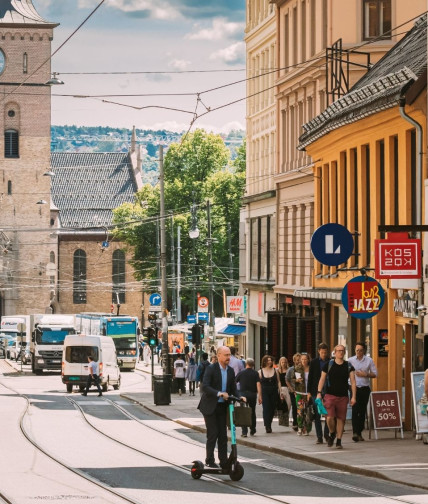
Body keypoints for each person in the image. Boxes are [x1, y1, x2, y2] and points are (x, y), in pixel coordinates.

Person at [198, 346, 244, 468]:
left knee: (223, 435)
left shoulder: (230, 370)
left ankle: (223, 461)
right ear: (218, 356)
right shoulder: (211, 369)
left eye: (229, 355)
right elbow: (205, 387)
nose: (229, 357)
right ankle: (209, 459)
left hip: (223, 406)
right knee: (213, 433)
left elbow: (233, 388)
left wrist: (240, 397)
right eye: (226, 355)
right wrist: (219, 393)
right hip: (209, 406)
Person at [317, 344, 356, 449]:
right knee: (329, 417)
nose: (341, 352)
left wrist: (353, 397)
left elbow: (353, 382)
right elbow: (322, 379)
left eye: (343, 351)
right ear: (334, 352)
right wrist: (319, 393)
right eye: (339, 351)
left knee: (341, 419)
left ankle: (338, 441)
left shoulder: (348, 366)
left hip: (343, 396)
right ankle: (332, 432)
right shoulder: (328, 365)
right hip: (330, 395)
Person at [348, 341, 378, 442]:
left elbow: (375, 374)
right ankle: (355, 433)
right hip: (353, 387)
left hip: (364, 388)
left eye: (360, 350)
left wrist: (365, 374)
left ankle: (359, 432)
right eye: (357, 350)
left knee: (361, 411)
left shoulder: (369, 360)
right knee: (355, 409)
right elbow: (345, 373)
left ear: (364, 350)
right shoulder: (350, 360)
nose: (358, 352)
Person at [307, 342, 330, 444]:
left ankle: (326, 434)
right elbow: (310, 378)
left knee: (327, 414)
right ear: (318, 352)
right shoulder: (314, 362)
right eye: (322, 352)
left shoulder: (331, 362)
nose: (324, 354)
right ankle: (319, 436)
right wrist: (308, 392)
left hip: (328, 390)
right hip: (315, 392)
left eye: (325, 352)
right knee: (317, 414)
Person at [236, 358, 261, 437]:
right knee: (252, 411)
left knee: (243, 412)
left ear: (246, 364)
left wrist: (236, 392)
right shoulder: (255, 373)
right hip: (252, 394)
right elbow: (258, 384)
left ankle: (244, 432)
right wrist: (260, 395)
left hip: (243, 394)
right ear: (253, 365)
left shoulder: (241, 373)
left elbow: (235, 381)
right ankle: (253, 429)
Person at [259, 355, 280, 433]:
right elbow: (259, 385)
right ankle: (267, 426)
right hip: (265, 391)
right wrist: (259, 395)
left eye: (271, 360)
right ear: (264, 361)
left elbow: (278, 381)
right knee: (266, 408)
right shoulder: (260, 371)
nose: (270, 361)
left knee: (272, 408)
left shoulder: (275, 370)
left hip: (274, 391)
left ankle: (269, 423)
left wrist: (280, 391)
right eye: (268, 360)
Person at [294, 353, 312, 436]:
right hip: (300, 392)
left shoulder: (312, 368)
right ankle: (300, 427)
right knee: (300, 411)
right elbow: (292, 379)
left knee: (308, 412)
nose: (304, 361)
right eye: (302, 359)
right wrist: (296, 381)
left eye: (305, 359)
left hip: (309, 393)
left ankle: (307, 429)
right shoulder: (297, 368)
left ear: (308, 359)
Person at [286, 353, 301, 431]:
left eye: (300, 360)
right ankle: (295, 423)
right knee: (295, 407)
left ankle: (301, 422)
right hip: (293, 391)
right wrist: (292, 390)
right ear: (294, 361)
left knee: (301, 407)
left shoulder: (303, 369)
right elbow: (287, 380)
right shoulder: (291, 369)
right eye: (297, 360)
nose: (299, 361)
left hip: (301, 391)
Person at [277, 357, 291, 427]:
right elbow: (278, 381)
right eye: (282, 362)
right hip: (281, 388)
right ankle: (282, 420)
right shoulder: (278, 370)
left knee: (288, 405)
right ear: (280, 363)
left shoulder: (289, 370)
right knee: (282, 405)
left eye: (285, 362)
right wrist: (280, 391)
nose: (284, 364)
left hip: (288, 388)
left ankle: (286, 419)